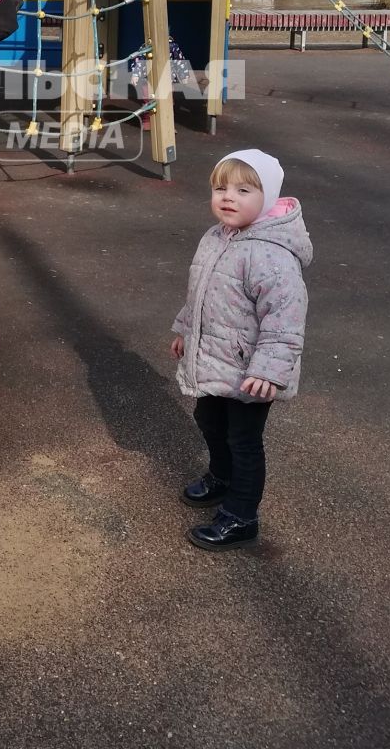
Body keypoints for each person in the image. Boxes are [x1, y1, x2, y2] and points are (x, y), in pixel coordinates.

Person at [169, 149, 311, 551]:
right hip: (217, 359)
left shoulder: (270, 253)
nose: (228, 197)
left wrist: (269, 370)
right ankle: (222, 476)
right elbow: (200, 293)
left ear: (266, 198)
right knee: (209, 419)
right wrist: (184, 329)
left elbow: (285, 318)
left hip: (252, 371)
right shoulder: (216, 237)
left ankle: (241, 515)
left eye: (243, 190)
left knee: (244, 440)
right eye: (221, 188)